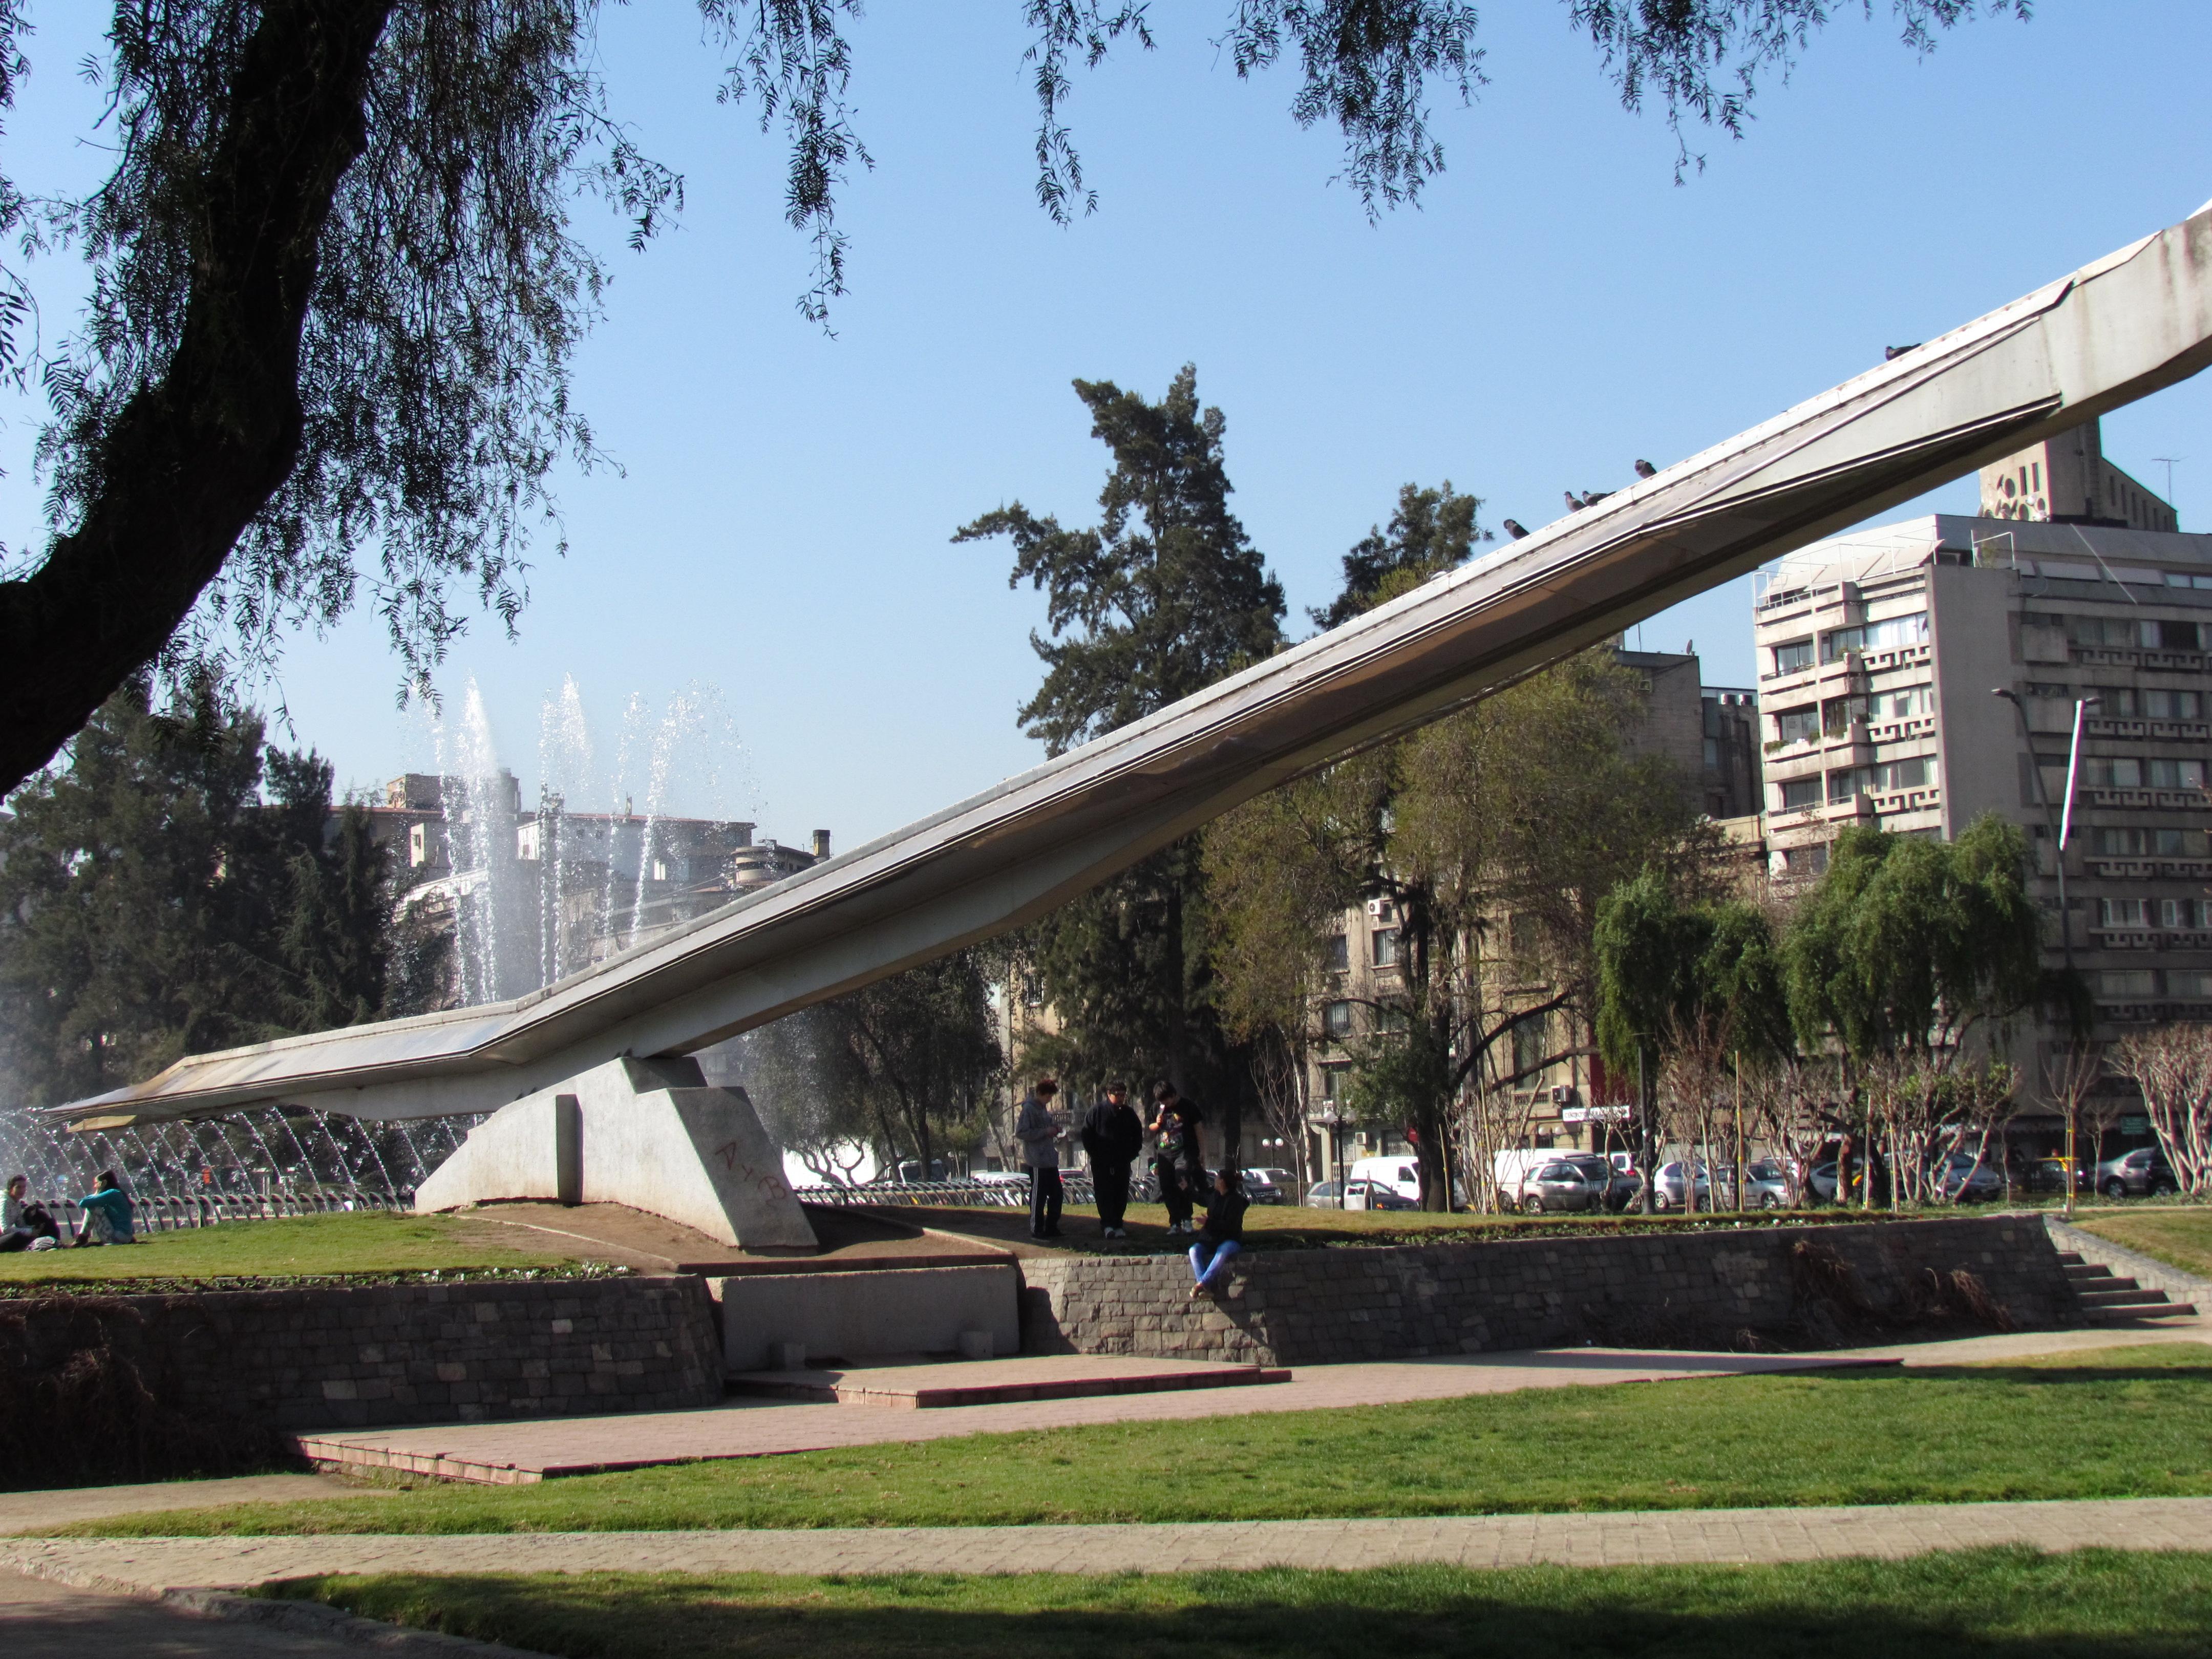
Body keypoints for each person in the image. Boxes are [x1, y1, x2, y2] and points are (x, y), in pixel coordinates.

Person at [1080, 1080, 1144, 1239]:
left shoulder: (1129, 1113)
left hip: (1122, 1161)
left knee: (1121, 1193)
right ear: (1109, 1095)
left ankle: (1118, 1224)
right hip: (1102, 1162)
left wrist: (1132, 1154)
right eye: (1118, 1095)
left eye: (1124, 1095)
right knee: (1104, 1193)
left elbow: (1137, 1136)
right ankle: (1107, 1225)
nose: (1121, 1098)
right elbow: (1087, 1135)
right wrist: (1096, 1154)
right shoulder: (1096, 1111)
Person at [1012, 1076, 1066, 1239]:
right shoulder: (1029, 1109)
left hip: (1050, 1159)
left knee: (1057, 1194)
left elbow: (1047, 1127)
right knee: (1039, 1196)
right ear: (1040, 1093)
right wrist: (1044, 1132)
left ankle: (1052, 1226)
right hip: (1037, 1161)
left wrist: (1055, 1130)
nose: (1050, 1100)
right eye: (1048, 1096)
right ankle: (1036, 1228)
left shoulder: (1043, 1109)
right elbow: (1021, 1133)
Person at [1187, 1167, 1249, 1298]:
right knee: (1194, 1251)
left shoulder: (1236, 1201)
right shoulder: (1215, 1195)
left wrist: (1208, 1223)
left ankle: (1201, 1284)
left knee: (1222, 1252)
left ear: (1222, 1182)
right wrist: (1187, 1189)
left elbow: (1231, 1227)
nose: (1214, 1181)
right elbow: (1201, 1198)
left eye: (1217, 1178)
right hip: (1210, 1239)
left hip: (1230, 1239)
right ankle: (1205, 1286)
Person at [1147, 1081, 1195, 1233]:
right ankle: (1175, 1222)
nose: (1164, 1104)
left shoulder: (1186, 1106)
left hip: (1182, 1151)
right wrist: (1157, 1123)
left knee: (1181, 1181)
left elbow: (1198, 1127)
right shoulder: (1157, 1108)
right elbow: (1151, 1128)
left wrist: (1200, 1152)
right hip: (1164, 1154)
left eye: (1166, 1100)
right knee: (1167, 1187)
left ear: (1173, 1096)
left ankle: (1187, 1219)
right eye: (1161, 1101)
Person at [72, 1171, 135, 1247]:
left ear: (104, 1183)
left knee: (92, 1208)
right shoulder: (117, 1193)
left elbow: (83, 1203)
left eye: (96, 1183)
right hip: (126, 1237)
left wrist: (97, 1193)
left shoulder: (112, 1193)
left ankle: (82, 1238)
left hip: (117, 1237)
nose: (95, 1186)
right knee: (93, 1205)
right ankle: (84, 1239)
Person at [0, 1175, 33, 1252]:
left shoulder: (17, 1202)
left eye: (24, 1187)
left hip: (4, 1237)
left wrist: (34, 1229)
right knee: (17, 1236)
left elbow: (21, 1225)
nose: (22, 1190)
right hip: (3, 1237)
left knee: (46, 1225)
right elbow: (5, 1229)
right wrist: (30, 1232)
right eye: (18, 1187)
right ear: (11, 1189)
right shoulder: (4, 1202)